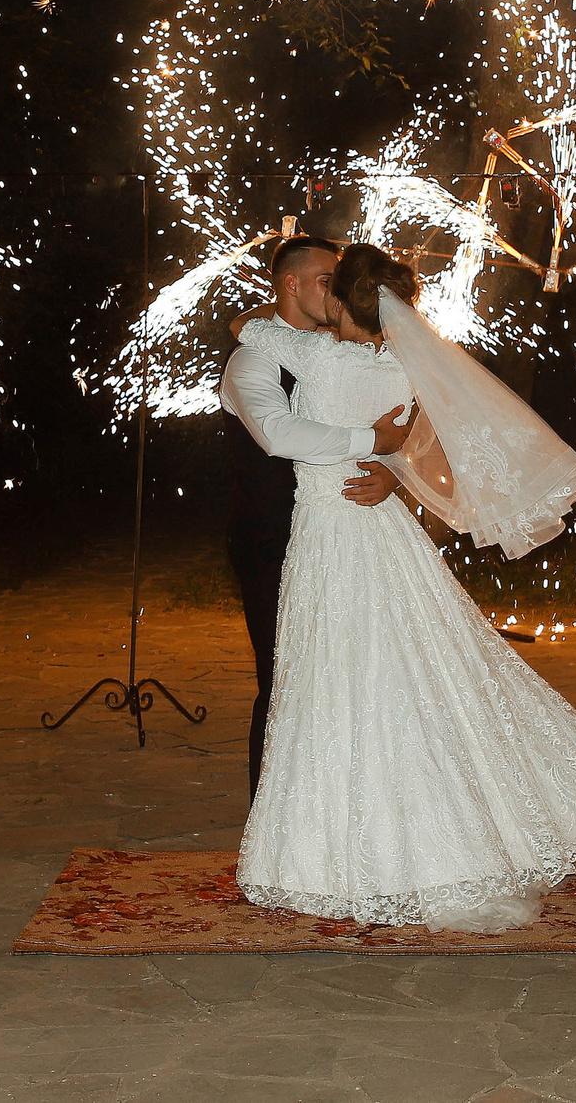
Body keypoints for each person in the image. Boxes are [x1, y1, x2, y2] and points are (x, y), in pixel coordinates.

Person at [230, 244, 576, 933]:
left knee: (352, 679)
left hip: (335, 536)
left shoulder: (321, 356)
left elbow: (260, 341)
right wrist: (381, 447)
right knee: (392, 672)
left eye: (332, 282)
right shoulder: (399, 361)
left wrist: (390, 464)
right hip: (367, 535)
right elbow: (340, 427)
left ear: (341, 298)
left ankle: (364, 850)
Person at [216, 235, 412, 797]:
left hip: (347, 535)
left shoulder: (349, 349)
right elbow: (278, 434)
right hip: (273, 539)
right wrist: (368, 437)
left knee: (364, 675)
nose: (341, 292)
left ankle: (361, 807)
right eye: (329, 281)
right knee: (286, 682)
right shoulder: (253, 359)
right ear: (291, 284)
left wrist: (394, 473)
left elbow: (413, 426)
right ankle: (275, 820)